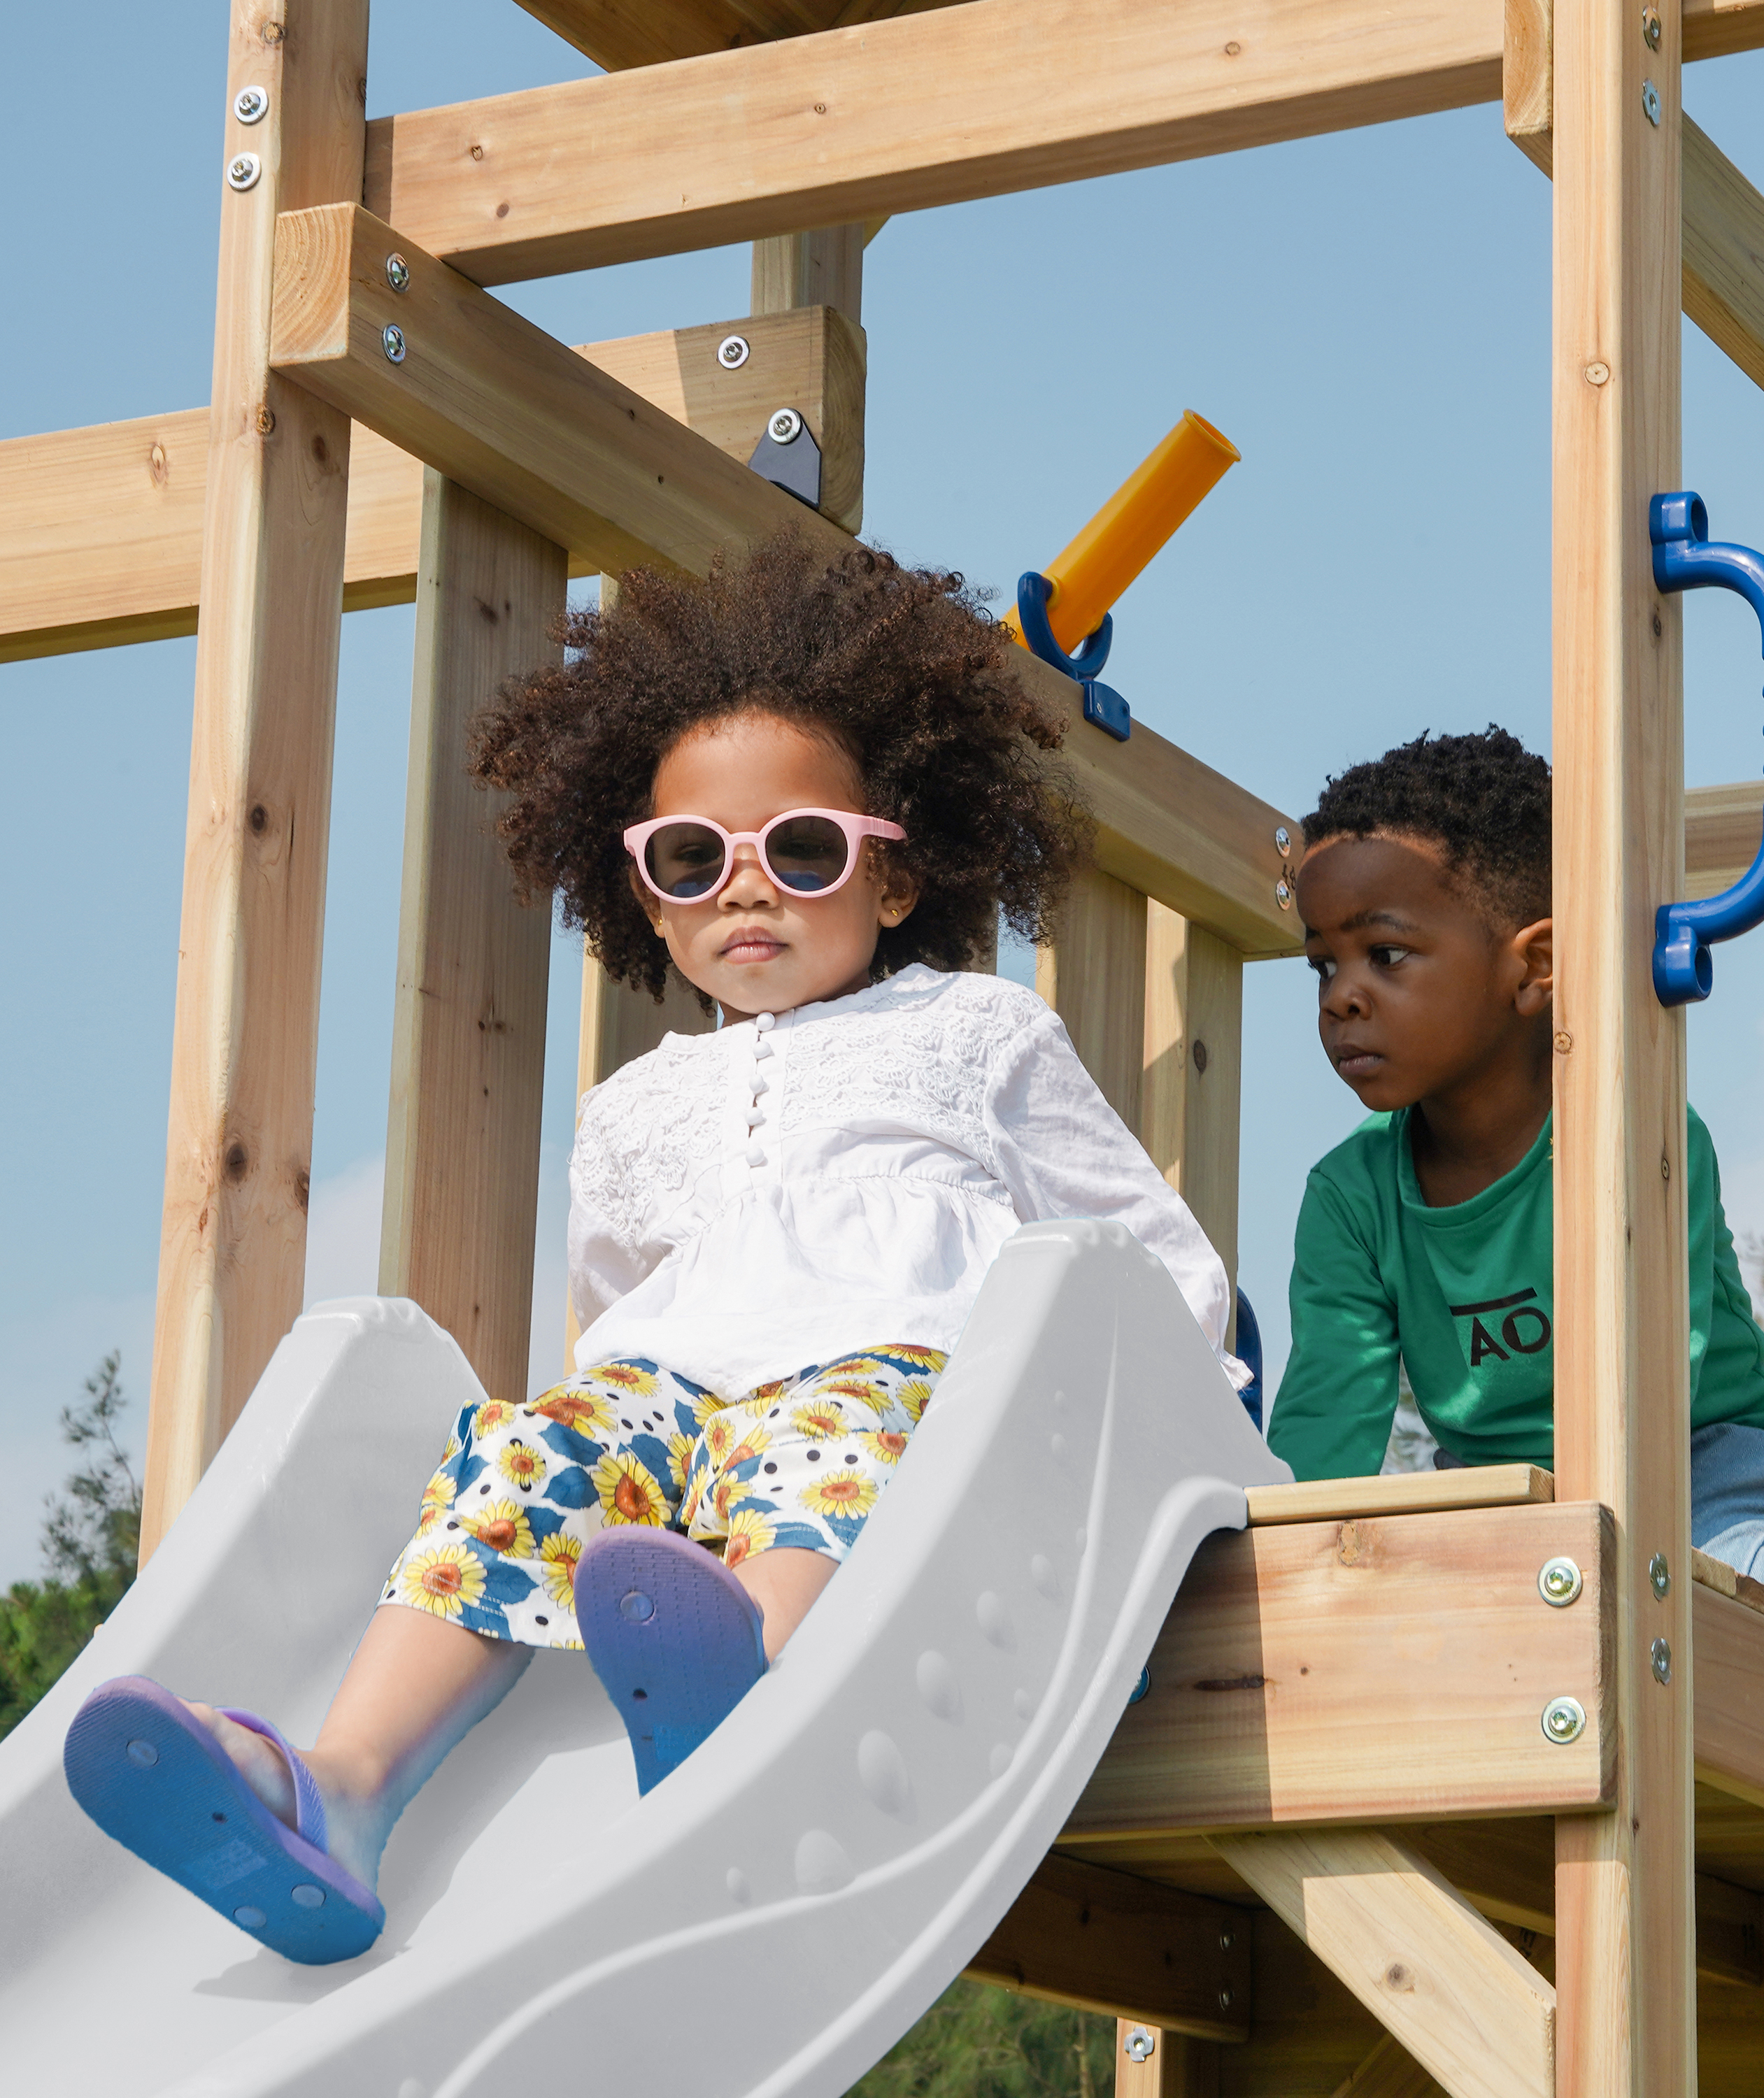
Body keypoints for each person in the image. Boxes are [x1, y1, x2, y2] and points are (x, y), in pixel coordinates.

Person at [65, 536, 1244, 1963]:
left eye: (800, 851)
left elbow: (1144, 1254)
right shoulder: (631, 1107)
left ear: (893, 878)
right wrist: (615, 1443)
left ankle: (760, 1690)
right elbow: (615, 1310)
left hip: (890, 1388)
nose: (744, 889)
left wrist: (1180, 1441)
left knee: (836, 1428)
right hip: (683, 1406)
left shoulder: (975, 1034)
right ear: (644, 890)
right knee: (523, 1449)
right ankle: (345, 1786)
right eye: (693, 859)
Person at [1265, 727, 1764, 1596]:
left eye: (1385, 955)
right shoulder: (1351, 1197)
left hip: (1702, 1467)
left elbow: (1651, 1380)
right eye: (1322, 964)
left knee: (1719, 1616)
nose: (1343, 995)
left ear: (1533, 967)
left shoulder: (1635, 1134)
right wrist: (1289, 1586)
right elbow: (1325, 1425)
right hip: (1501, 1493)